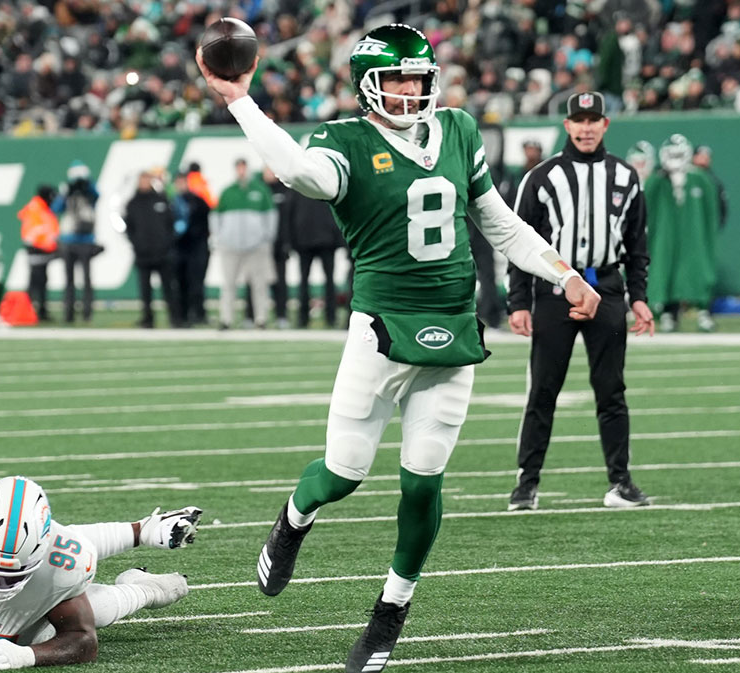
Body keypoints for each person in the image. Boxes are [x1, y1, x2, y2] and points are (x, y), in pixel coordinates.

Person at [197, 23, 600, 672]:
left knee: (422, 484)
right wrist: (240, 99)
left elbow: (497, 220)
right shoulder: (344, 141)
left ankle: (390, 610)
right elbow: (300, 171)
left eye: (419, 78)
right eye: (397, 80)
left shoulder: (460, 131)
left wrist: (565, 272)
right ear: (367, 88)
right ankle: (294, 517)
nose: (411, 91)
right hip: (381, 333)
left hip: (453, 330)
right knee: (343, 474)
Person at [0, 476, 201, 671]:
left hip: (27, 628)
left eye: (10, 575)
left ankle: (145, 589)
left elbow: (83, 641)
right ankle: (143, 530)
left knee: (95, 608)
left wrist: (28, 655)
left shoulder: (63, 555)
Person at [507, 91, 655, 512]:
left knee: (612, 390)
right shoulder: (541, 176)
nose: (586, 128)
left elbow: (637, 244)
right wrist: (519, 300)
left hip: (607, 289)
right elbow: (520, 241)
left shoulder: (626, 176)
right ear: (567, 125)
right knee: (543, 390)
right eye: (579, 120)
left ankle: (620, 482)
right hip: (555, 292)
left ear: (605, 125)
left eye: (594, 120)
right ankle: (527, 484)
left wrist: (639, 296)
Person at [645, 134, 722, 332]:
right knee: (665, 270)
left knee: (698, 270)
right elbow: (647, 210)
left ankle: (704, 311)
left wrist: (708, 235)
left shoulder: (700, 179)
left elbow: (712, 212)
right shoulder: (657, 181)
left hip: (693, 235)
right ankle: (668, 312)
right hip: (665, 236)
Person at [210, 158, 277, 330]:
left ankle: (261, 319)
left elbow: (271, 216)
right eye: (238, 168)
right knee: (228, 284)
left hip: (256, 246)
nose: (241, 171)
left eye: (243, 168)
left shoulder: (260, 191)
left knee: (259, 284)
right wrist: (220, 237)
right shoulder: (227, 191)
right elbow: (215, 216)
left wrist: (266, 238)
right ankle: (226, 319)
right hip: (230, 246)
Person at [124, 170, 181, 328]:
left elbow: (171, 224)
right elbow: (129, 228)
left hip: (163, 254)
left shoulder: (161, 199)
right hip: (143, 254)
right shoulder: (132, 203)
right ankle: (148, 319)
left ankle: (175, 318)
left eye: (146, 179)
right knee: (145, 290)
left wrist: (167, 244)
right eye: (142, 179)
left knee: (169, 288)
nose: (144, 183)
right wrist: (137, 244)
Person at [284, 188, 345, 329]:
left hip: (323, 241)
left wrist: (338, 240)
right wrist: (291, 241)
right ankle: (304, 318)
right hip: (306, 241)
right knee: (306, 281)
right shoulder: (301, 187)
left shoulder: (324, 185)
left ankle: (329, 317)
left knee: (327, 281)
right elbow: (290, 214)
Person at [53, 161, 101, 324]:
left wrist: (87, 186)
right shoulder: (67, 191)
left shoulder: (90, 191)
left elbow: (96, 197)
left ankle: (87, 313)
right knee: (69, 280)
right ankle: (69, 314)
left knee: (87, 279)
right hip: (68, 239)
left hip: (86, 239)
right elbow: (56, 208)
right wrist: (66, 192)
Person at [171, 172, 211, 326]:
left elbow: (206, 224)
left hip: (197, 248)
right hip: (179, 249)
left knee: (197, 283)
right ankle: (183, 315)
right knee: (181, 284)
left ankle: (199, 313)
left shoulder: (198, 201)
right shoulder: (172, 202)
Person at [19, 185, 59, 322]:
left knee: (41, 281)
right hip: (37, 249)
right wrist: (46, 244)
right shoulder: (36, 209)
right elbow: (35, 231)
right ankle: (27, 312)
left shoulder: (40, 208)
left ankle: (39, 311)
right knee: (35, 282)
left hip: (42, 249)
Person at [262, 166, 293, 329]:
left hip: (280, 246)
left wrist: (288, 242)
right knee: (257, 283)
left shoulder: (286, 191)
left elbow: (290, 220)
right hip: (261, 247)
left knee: (280, 283)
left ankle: (281, 316)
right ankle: (255, 317)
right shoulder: (259, 191)